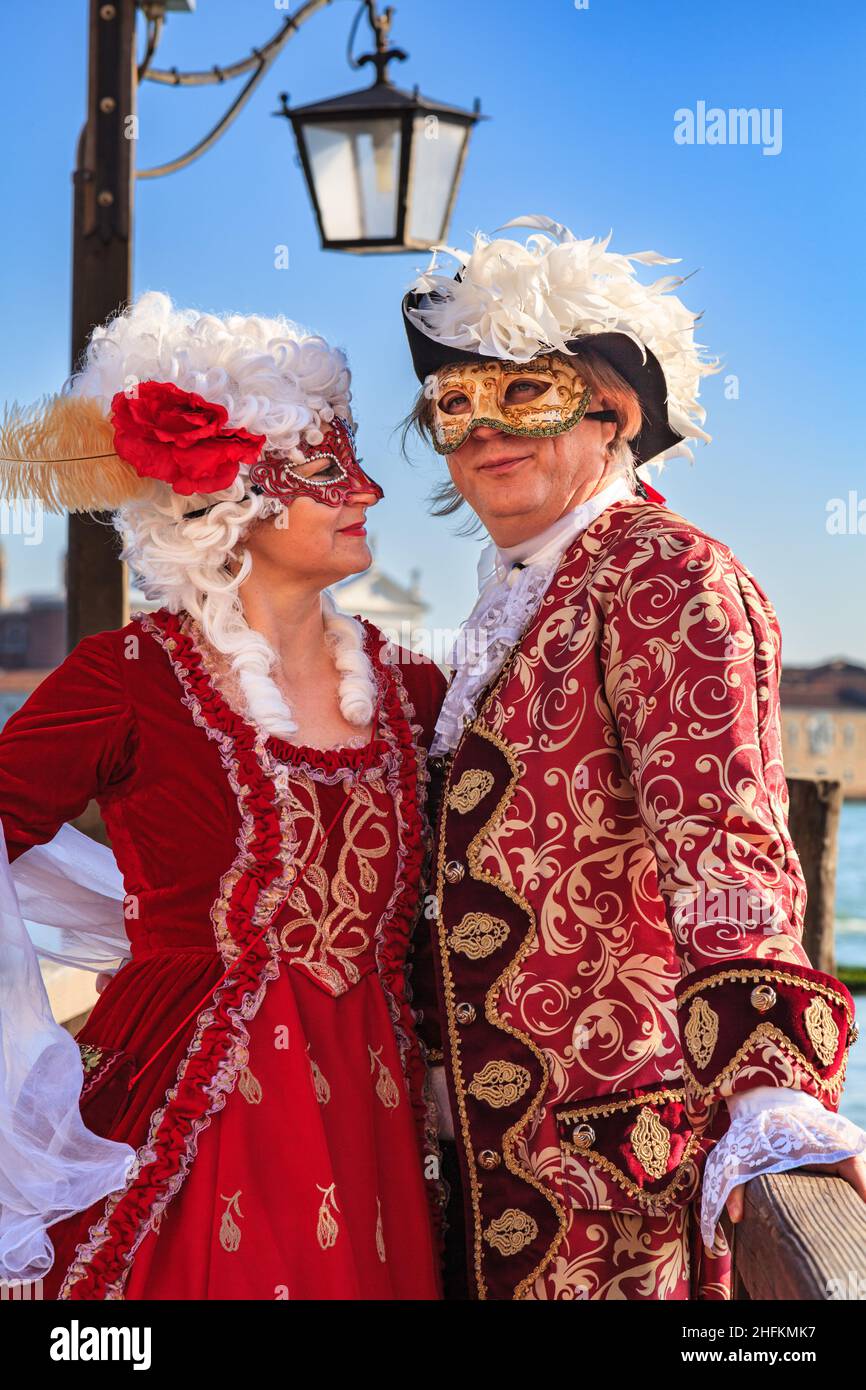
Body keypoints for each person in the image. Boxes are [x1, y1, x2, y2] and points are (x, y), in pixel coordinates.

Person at [402, 215, 866, 1301]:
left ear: (612, 415)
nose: (479, 432)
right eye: (453, 404)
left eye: (525, 394)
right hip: (476, 1164)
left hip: (602, 1187)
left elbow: (725, 844)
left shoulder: (664, 575)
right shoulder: (512, 592)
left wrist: (768, 1091)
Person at [0, 292, 444, 1300]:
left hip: (375, 1119)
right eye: (326, 469)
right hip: (184, 1103)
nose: (367, 490)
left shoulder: (415, 687)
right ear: (229, 497)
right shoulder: (128, 675)